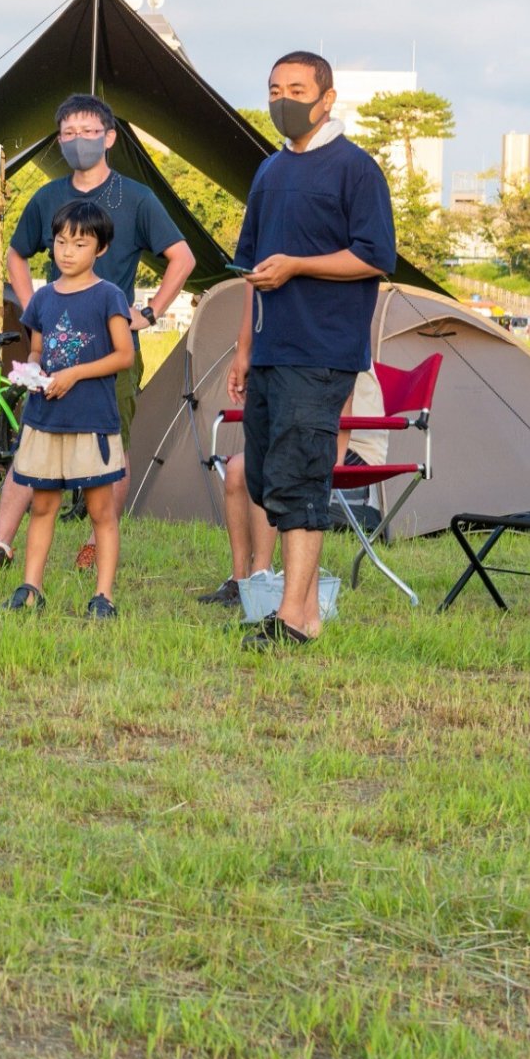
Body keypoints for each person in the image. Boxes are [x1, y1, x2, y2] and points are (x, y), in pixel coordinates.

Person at [0, 94, 195, 574]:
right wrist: (31, 306)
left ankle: (94, 541)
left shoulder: (136, 198)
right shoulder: (48, 197)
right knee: (33, 439)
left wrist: (149, 311)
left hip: (112, 344)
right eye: (68, 133)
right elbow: (17, 255)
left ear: (109, 138)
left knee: (112, 444)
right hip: (54, 346)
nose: (78, 141)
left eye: (88, 132)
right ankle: (0, 545)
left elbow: (182, 258)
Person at [227, 52, 397, 647]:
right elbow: (252, 269)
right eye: (274, 88)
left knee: (300, 479)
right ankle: (291, 603)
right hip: (270, 351)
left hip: (322, 350)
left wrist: (300, 265)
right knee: (264, 479)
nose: (283, 100)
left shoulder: (355, 169)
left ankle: (298, 616)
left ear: (327, 98)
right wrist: (244, 348)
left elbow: (375, 256)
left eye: (297, 88)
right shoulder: (269, 172)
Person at [3, 199, 136, 616]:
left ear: (100, 249)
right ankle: (30, 587)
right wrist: (33, 370)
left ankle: (103, 596)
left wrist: (75, 374)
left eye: (79, 243)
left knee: (100, 510)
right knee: (42, 505)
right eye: (61, 241)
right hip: (45, 419)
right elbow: (39, 348)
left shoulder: (108, 296)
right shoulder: (43, 299)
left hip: (91, 420)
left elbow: (124, 355)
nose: (67, 251)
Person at [196, 370, 385, 608]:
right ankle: (239, 580)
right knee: (236, 470)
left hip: (350, 444)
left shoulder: (337, 339)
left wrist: (335, 457)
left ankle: (259, 576)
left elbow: (344, 399)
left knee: (270, 468)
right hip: (306, 434)